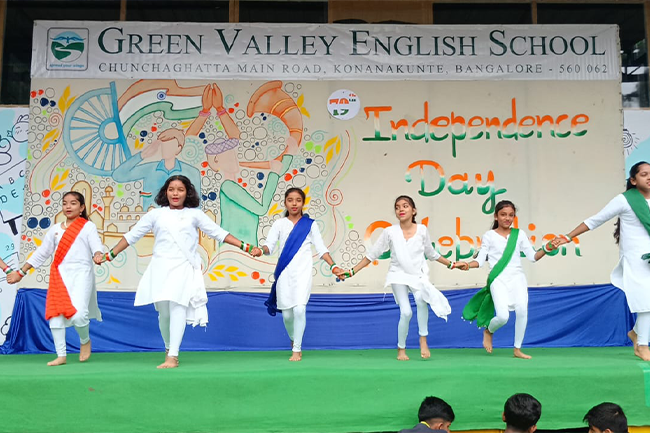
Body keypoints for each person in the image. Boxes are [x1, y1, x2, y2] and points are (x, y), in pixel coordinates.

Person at [99, 175, 261, 368]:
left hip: (183, 267)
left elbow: (218, 233)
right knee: (164, 314)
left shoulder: (195, 215)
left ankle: (173, 356)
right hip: (160, 267)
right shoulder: (155, 215)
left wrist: (246, 246)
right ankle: (169, 347)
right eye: (171, 189)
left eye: (180, 190)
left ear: (187, 193)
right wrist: (110, 255)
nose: (175, 193)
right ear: (165, 192)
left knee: (178, 307)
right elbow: (132, 236)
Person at [342, 195, 467, 361]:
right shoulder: (390, 232)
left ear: (414, 211)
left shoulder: (422, 230)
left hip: (417, 275)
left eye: (405, 206)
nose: (401, 209)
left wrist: (452, 264)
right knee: (406, 312)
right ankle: (401, 349)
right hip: (397, 275)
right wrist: (351, 272)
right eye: (397, 207)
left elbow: (431, 254)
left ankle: (423, 339)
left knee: (421, 300)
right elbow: (372, 255)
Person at [553, 161, 650, 361]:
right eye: (644, 174)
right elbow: (595, 220)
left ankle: (635, 333)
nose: (649, 177)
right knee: (646, 301)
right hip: (636, 259)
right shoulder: (625, 200)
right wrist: (568, 237)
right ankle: (642, 345)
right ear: (633, 180)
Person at [8, 191, 103, 366]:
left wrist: (98, 254)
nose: (68, 206)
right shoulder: (55, 229)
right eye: (65, 203)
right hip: (59, 275)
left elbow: (96, 245)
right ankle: (61, 355)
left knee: (79, 315)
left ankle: (85, 340)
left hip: (81, 273)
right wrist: (21, 272)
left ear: (82, 207)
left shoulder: (88, 226)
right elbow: (42, 253)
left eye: (73, 203)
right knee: (55, 315)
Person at [461, 200, 556, 359]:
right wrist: (466, 265)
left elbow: (533, 257)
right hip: (498, 278)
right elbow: (480, 260)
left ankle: (517, 349)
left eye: (511, 215)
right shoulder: (489, 236)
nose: (507, 218)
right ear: (496, 216)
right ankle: (489, 330)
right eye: (503, 214)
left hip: (517, 277)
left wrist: (547, 248)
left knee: (522, 310)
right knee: (503, 317)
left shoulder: (519, 234)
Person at [262, 187, 342, 361]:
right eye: (290, 200)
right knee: (287, 315)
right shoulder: (279, 224)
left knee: (299, 309)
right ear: (285, 203)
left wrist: (333, 266)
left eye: (298, 200)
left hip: (302, 273)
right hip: (284, 274)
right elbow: (269, 246)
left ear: (303, 203)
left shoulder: (310, 224)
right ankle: (293, 339)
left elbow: (321, 249)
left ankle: (297, 349)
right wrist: (261, 250)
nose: (294, 204)